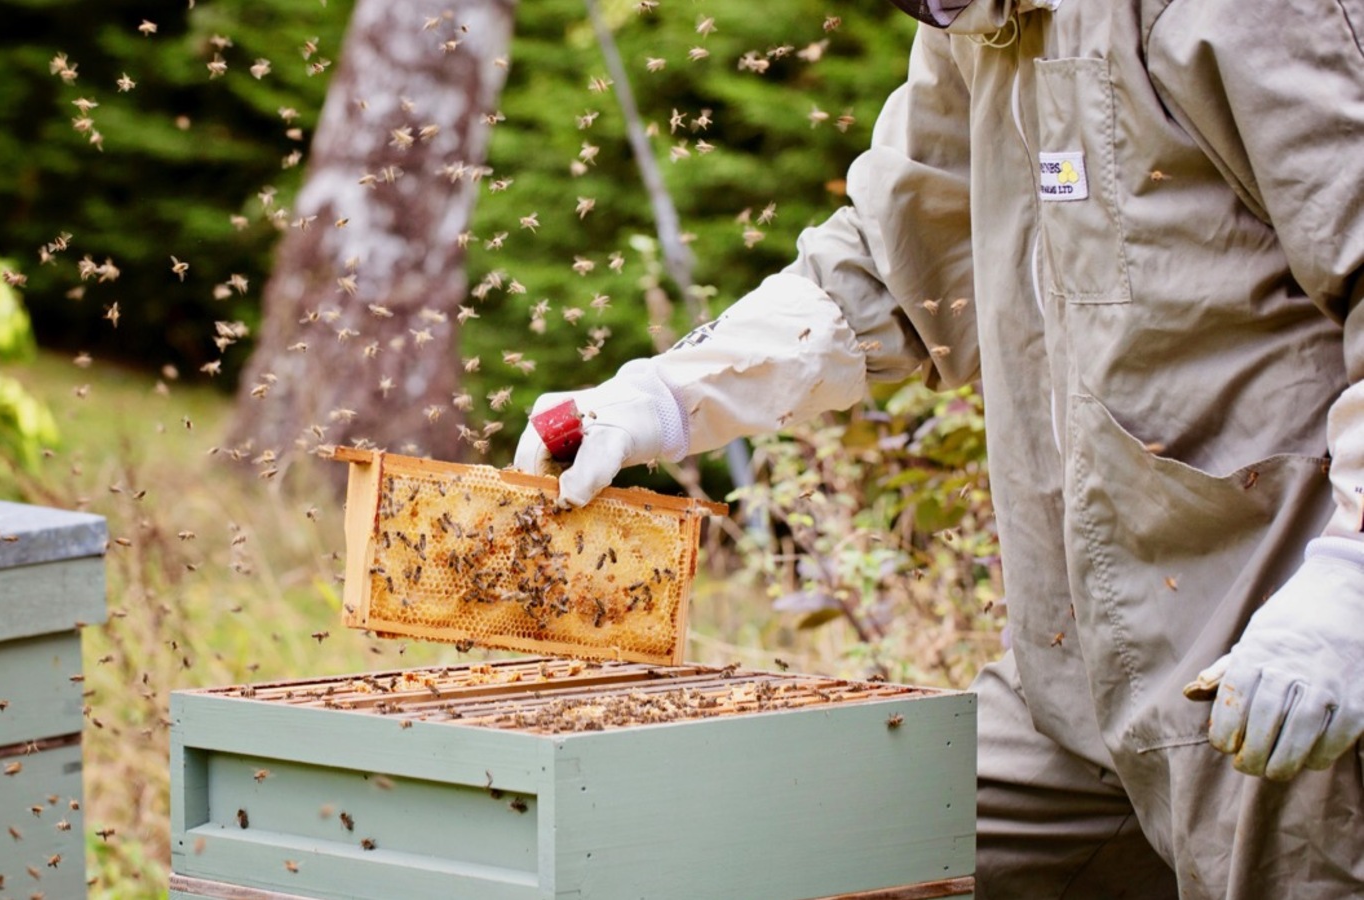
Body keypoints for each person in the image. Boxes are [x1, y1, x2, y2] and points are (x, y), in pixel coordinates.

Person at [514, 2, 1364, 897]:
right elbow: (895, 260)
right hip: (1066, 690)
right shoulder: (979, 24)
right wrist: (667, 397)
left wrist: (1351, 589)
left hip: (1278, 664)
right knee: (835, 862)